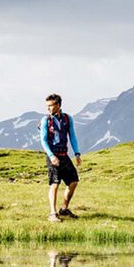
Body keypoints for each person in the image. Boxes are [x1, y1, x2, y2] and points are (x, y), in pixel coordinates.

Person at [40, 93, 82, 222]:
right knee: (55, 183)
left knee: (74, 181)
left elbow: (72, 136)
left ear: (58, 105)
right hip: (52, 155)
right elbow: (43, 140)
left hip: (64, 155)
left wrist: (77, 153)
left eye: (50, 106)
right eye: (47, 106)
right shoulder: (46, 120)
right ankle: (53, 213)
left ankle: (64, 209)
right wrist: (51, 156)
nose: (48, 108)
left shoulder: (68, 119)